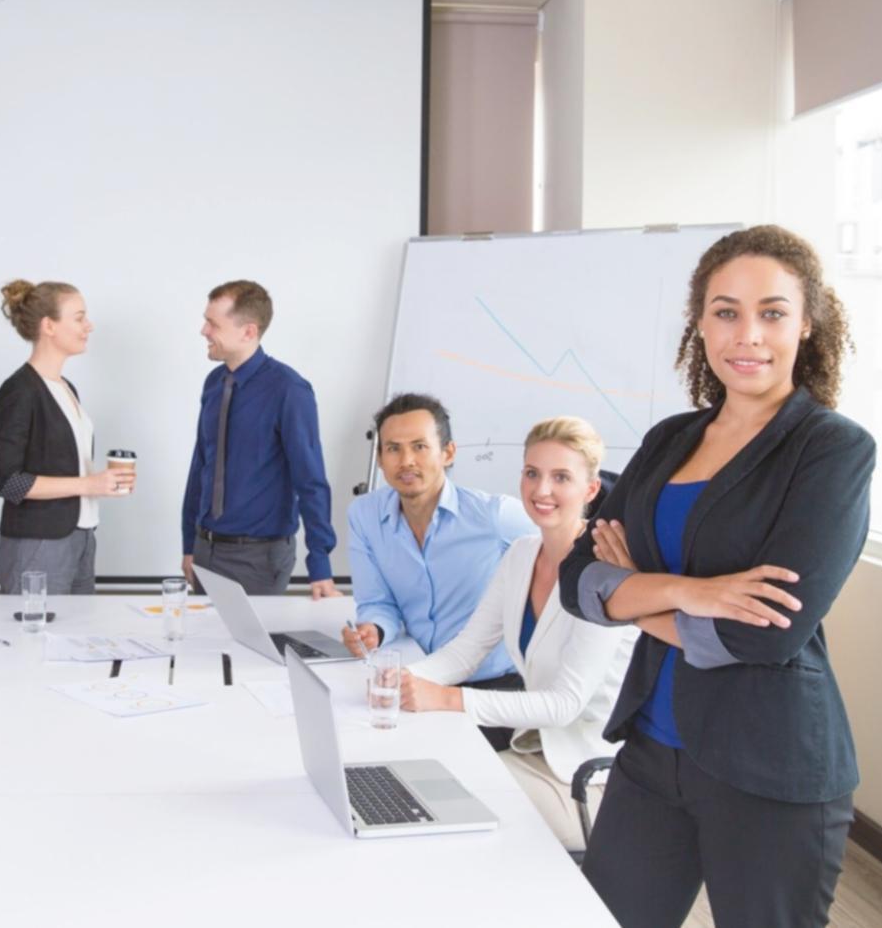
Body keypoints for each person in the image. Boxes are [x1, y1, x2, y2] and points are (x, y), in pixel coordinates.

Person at [560, 225, 874, 927]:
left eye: (771, 312)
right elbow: (577, 578)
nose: (747, 334)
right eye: (725, 311)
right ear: (699, 323)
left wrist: (630, 593)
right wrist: (684, 592)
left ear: (807, 324)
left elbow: (766, 635)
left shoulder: (830, 448)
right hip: (651, 753)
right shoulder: (668, 438)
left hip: (769, 765)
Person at [397, 416, 633, 850]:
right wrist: (402, 679)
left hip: (590, 778)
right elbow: (467, 650)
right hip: (535, 752)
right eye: (532, 473)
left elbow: (565, 705)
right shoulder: (524, 553)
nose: (541, 490)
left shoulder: (605, 573)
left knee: (445, 816)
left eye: (561, 477)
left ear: (591, 490)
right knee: (422, 784)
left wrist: (447, 699)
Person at [340, 393, 538, 745]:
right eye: (393, 449)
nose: (406, 461)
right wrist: (374, 630)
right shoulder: (366, 516)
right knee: (350, 732)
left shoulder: (493, 517)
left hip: (492, 688)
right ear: (380, 458)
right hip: (420, 673)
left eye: (419, 446)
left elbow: (567, 543)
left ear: (447, 453)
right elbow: (377, 601)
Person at [181, 280, 337, 597]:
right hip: (205, 550)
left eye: (213, 323)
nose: (203, 330)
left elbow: (311, 480)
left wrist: (320, 564)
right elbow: (201, 466)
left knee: (247, 648)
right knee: (200, 646)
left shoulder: (289, 390)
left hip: (257, 559)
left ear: (248, 331)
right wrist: (189, 544)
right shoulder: (214, 383)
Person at [0, 280, 133, 595]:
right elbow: (8, 482)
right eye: (79, 317)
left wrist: (103, 481)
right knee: (33, 642)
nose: (89, 325)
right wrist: (88, 484)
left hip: (81, 537)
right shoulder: (19, 390)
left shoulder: (67, 388)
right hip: (38, 543)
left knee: (79, 640)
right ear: (49, 326)